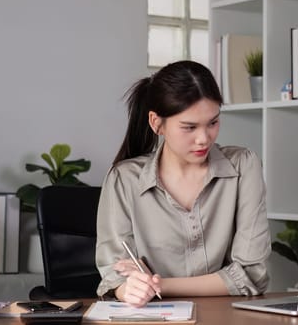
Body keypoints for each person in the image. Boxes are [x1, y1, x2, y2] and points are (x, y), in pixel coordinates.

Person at [95, 60, 271, 307]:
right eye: (189, 127)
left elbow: (253, 275)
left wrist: (159, 284)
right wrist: (129, 289)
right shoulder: (124, 179)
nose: (204, 139)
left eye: (213, 122)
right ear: (156, 123)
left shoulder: (243, 165)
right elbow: (116, 276)